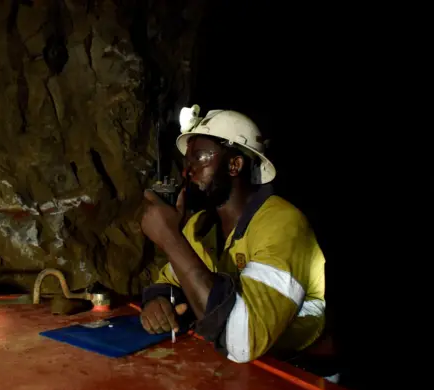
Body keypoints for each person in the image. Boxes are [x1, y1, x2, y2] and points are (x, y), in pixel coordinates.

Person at [139, 109, 325, 363]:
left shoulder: (284, 226)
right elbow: (171, 282)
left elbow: (242, 340)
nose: (187, 171)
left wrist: (170, 238)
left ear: (234, 165)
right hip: (238, 367)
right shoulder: (199, 226)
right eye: (186, 160)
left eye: (200, 157)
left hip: (300, 371)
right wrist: (159, 301)